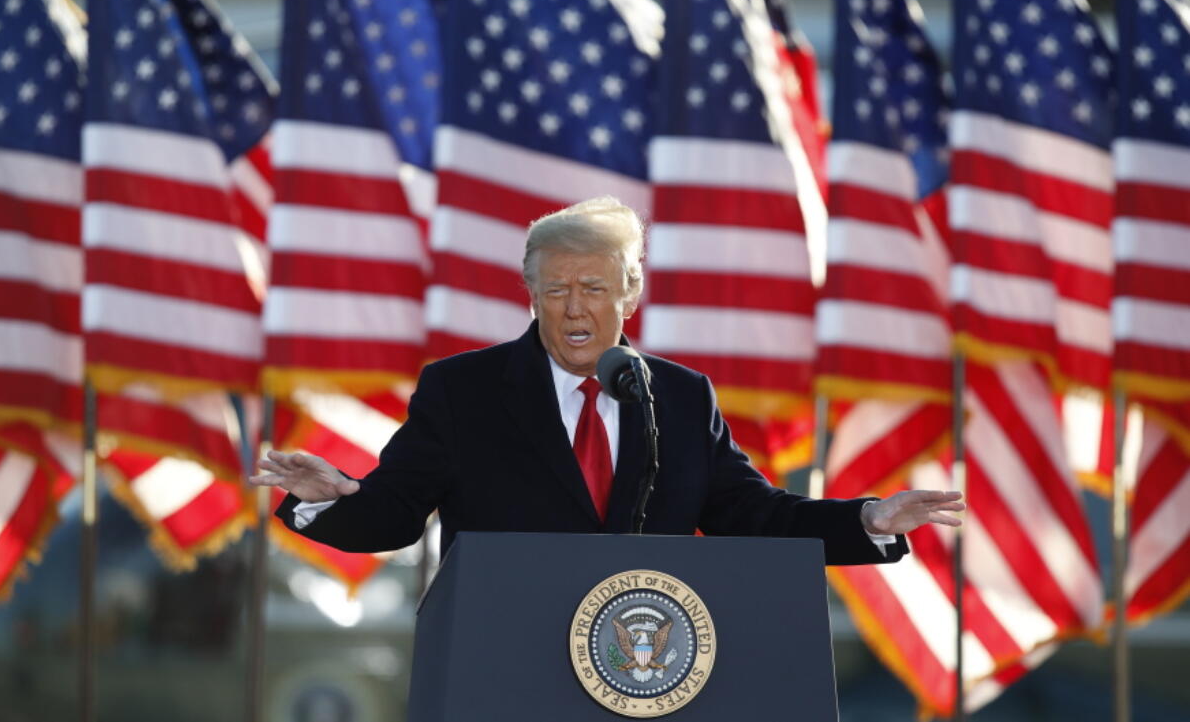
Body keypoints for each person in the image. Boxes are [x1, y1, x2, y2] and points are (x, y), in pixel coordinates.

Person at [251, 196, 964, 565]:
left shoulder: (681, 398)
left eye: (592, 286)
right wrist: (331, 498)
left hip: (647, 667)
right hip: (504, 670)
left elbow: (755, 517)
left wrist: (869, 518)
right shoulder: (461, 392)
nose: (572, 306)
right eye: (553, 287)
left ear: (630, 293)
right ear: (529, 293)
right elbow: (396, 513)